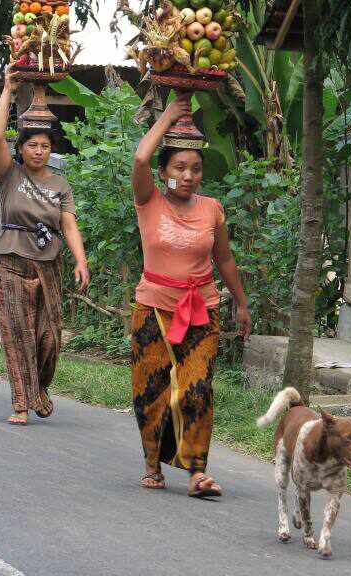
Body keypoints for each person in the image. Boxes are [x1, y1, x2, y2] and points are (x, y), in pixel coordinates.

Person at [131, 96, 251, 498]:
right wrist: (168, 116)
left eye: (195, 169)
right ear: (163, 172)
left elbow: (224, 259)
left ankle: (197, 472)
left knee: (197, 387)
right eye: (179, 168)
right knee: (152, 392)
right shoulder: (149, 201)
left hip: (202, 310)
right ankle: (153, 464)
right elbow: (140, 157)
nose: (188, 176)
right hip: (153, 309)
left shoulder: (211, 209)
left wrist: (242, 303)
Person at [0, 66, 89, 425]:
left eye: (44, 145)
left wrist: (81, 261)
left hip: (48, 264)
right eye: (32, 145)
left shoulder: (60, 184)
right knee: (18, 335)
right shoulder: (10, 174)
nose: (38, 150)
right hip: (12, 262)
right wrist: (7, 89)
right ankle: (21, 403)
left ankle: (40, 387)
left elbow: (69, 225)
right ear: (21, 149)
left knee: (50, 338)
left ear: (51, 149)